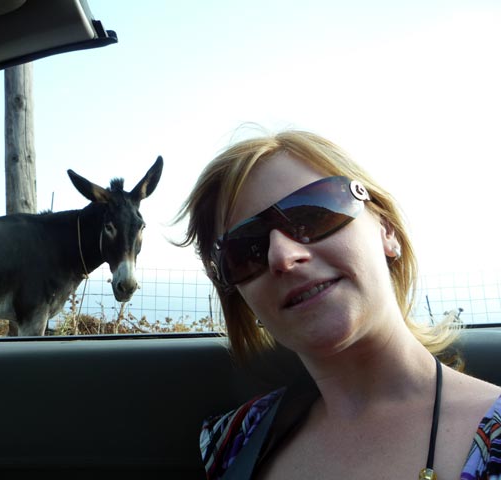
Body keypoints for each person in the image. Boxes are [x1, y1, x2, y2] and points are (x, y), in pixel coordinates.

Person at [174, 128, 501, 479]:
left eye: (312, 215)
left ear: (386, 230)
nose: (282, 257)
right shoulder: (234, 442)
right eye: (245, 252)